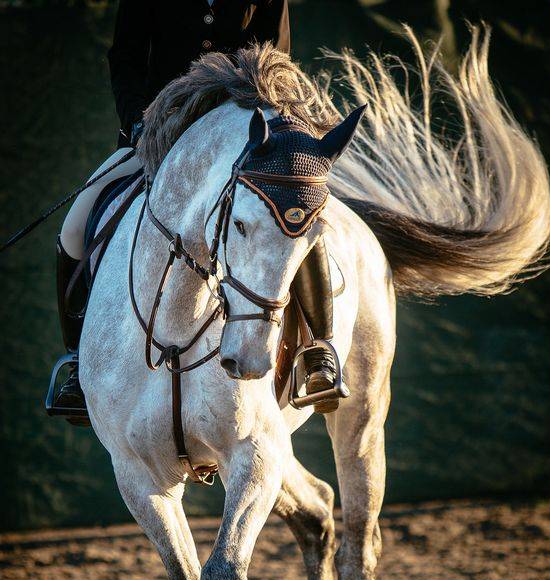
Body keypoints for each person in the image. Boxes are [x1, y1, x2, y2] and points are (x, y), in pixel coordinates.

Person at [52, 0, 338, 418]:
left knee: (294, 215)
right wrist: (137, 121)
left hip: (241, 137)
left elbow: (275, 61)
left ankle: (316, 348)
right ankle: (80, 362)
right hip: (159, 133)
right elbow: (126, 57)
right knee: (74, 231)